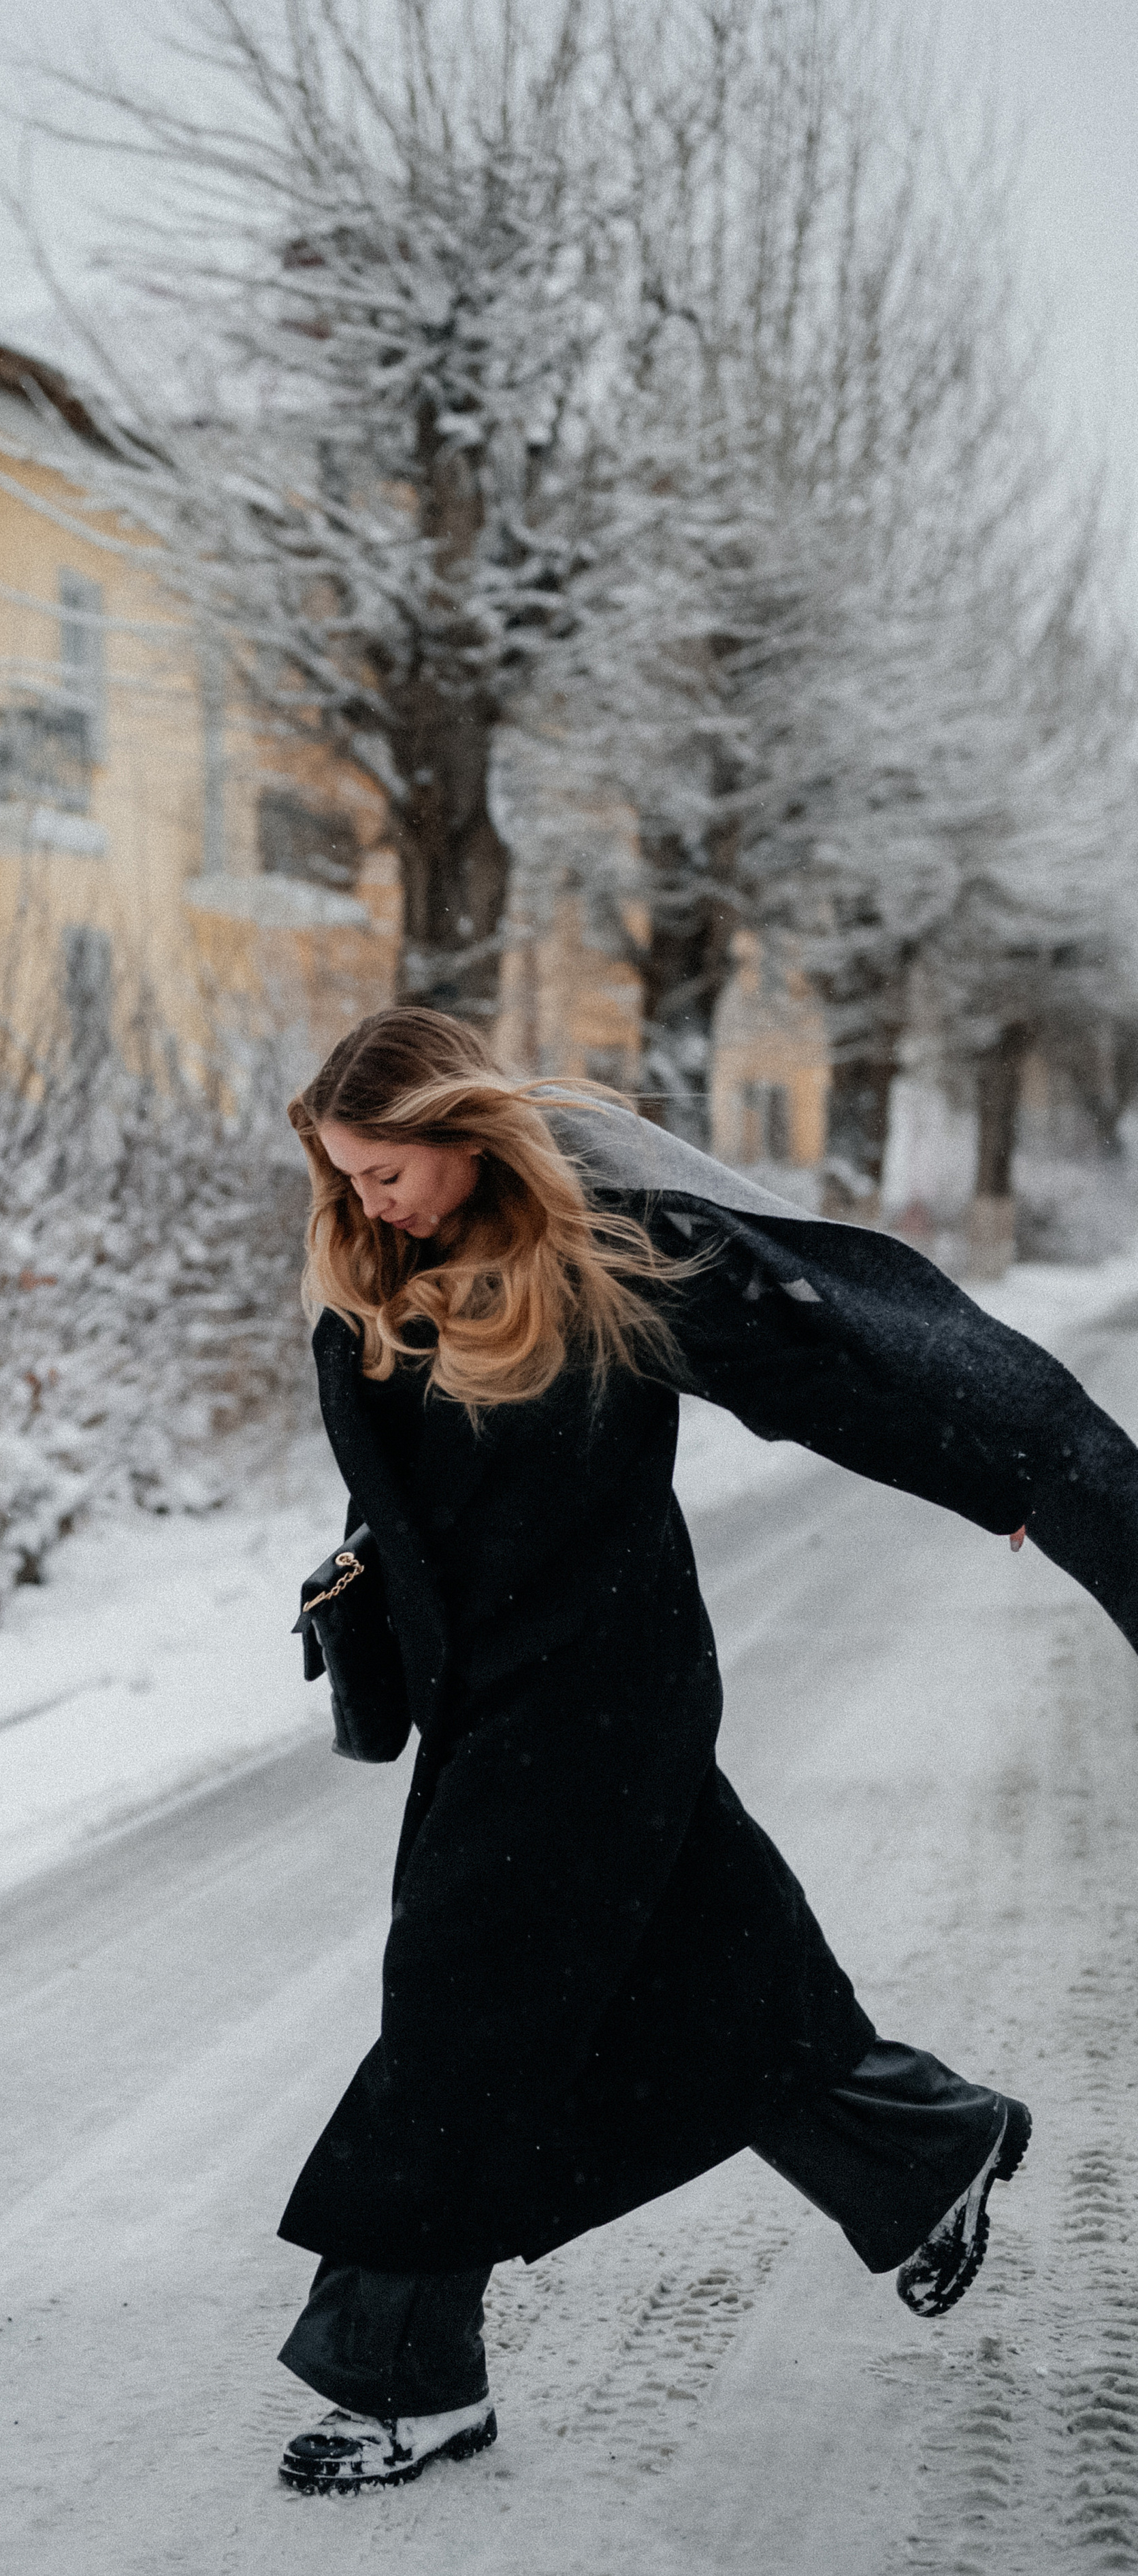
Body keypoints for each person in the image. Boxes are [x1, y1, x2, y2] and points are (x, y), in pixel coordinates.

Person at [272, 1006, 1138, 2496]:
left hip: (597, 1697)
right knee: (720, 1975)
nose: (368, 1201)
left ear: (463, 1134)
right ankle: (921, 2152)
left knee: (458, 2019)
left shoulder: (603, 1258)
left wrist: (994, 1480)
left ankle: (404, 2371)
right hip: (493, 1701)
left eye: (386, 1170)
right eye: (346, 1177)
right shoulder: (384, 1273)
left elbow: (818, 1374)